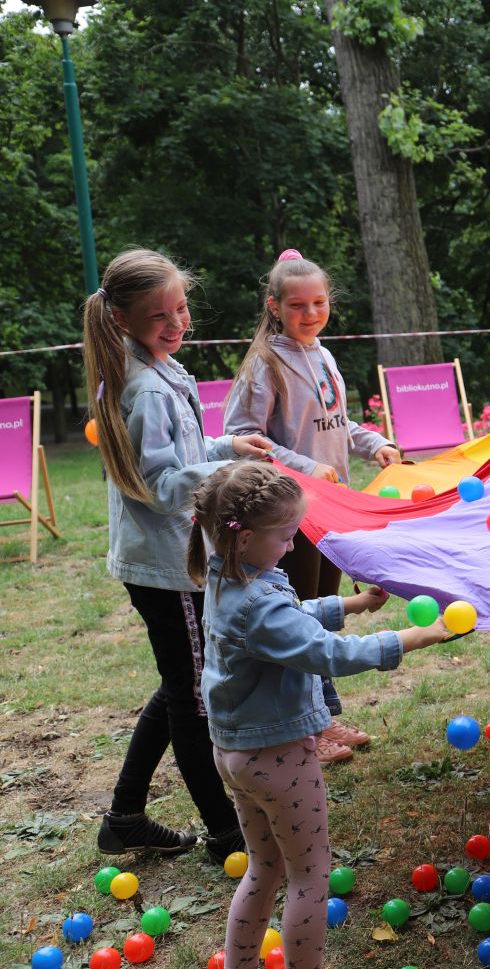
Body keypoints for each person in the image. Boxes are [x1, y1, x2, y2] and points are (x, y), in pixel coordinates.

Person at [190, 461, 450, 969]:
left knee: (265, 867)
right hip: (278, 758)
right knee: (311, 876)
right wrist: (416, 637)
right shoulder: (259, 603)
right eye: (286, 536)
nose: (291, 546)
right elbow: (329, 654)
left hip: (237, 754)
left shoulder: (230, 578)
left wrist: (349, 604)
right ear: (242, 538)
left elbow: (292, 621)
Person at [81, 248, 274, 863]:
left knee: (179, 684)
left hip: (169, 562)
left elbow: (180, 452)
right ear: (120, 318)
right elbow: (166, 486)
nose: (177, 323)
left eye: (181, 308)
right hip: (166, 566)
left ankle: (126, 816)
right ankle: (224, 833)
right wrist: (228, 472)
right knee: (193, 698)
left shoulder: (158, 369)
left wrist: (226, 443)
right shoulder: (145, 388)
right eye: (159, 316)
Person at [224, 249, 402, 764]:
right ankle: (301, 728)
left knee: (323, 616)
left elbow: (337, 425)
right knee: (298, 621)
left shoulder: (322, 355)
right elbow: (242, 436)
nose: (310, 313)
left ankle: (322, 716)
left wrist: (375, 443)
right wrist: (301, 464)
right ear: (274, 306)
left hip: (330, 513)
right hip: (287, 518)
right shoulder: (264, 365)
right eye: (298, 305)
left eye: (319, 302)